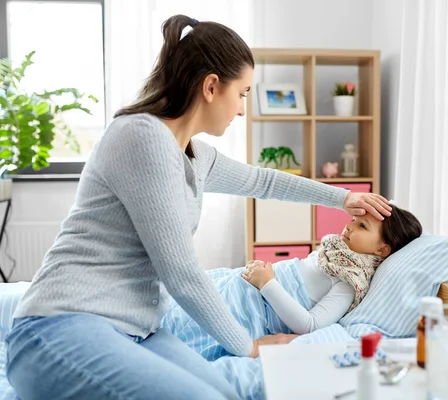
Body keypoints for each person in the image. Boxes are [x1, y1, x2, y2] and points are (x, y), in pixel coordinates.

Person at [5, 15, 392, 400]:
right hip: (58, 326)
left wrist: (343, 198)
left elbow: (264, 181)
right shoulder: (141, 137)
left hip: (136, 331)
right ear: (211, 86)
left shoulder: (194, 154)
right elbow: (183, 275)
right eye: (241, 93)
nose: (242, 109)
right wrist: (249, 346)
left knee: (224, 393)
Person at [242, 205, 422, 334]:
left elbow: (310, 325)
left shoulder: (349, 280)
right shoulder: (331, 253)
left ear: (382, 249)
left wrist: (267, 283)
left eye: (362, 226)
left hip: (252, 309)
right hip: (248, 288)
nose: (349, 226)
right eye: (353, 220)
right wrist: (262, 271)